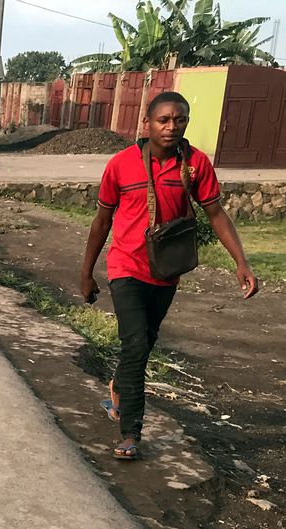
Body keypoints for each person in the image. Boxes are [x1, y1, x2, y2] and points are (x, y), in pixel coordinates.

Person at [81, 91, 259, 461]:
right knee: (134, 345)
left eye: (179, 120)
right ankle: (130, 431)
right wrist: (86, 272)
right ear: (146, 124)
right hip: (125, 267)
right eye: (163, 120)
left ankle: (118, 384)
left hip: (166, 271)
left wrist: (241, 262)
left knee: (143, 342)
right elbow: (101, 222)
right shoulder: (121, 165)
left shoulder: (195, 164)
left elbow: (216, 214)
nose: (171, 127)